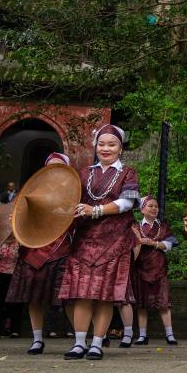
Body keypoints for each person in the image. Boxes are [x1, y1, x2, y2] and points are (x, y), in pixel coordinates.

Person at [59, 124, 140, 361]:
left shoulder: (128, 173)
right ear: (95, 146)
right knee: (82, 293)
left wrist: (95, 210)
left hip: (113, 242)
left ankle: (96, 343)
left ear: (120, 148)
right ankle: (78, 343)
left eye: (111, 144)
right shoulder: (83, 173)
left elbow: (127, 203)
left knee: (104, 295)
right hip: (84, 240)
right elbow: (69, 201)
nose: (106, 148)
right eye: (101, 144)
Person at [5, 152, 75, 354]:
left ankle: (79, 339)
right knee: (34, 298)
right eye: (50, 165)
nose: (54, 169)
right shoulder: (32, 189)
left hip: (61, 249)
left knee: (67, 299)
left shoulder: (74, 191)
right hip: (33, 250)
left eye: (59, 166)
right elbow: (20, 217)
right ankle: (37, 339)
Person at [131, 195, 178, 346]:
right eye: (150, 206)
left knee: (164, 303)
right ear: (142, 209)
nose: (154, 208)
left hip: (159, 269)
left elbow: (170, 244)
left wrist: (153, 243)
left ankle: (170, 335)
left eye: (156, 206)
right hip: (140, 269)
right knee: (142, 304)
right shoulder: (136, 227)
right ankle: (142, 336)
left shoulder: (163, 226)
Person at [0, 234, 23, 338]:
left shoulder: (20, 242)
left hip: (15, 275)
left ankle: (14, 330)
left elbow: (23, 261)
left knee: (14, 303)